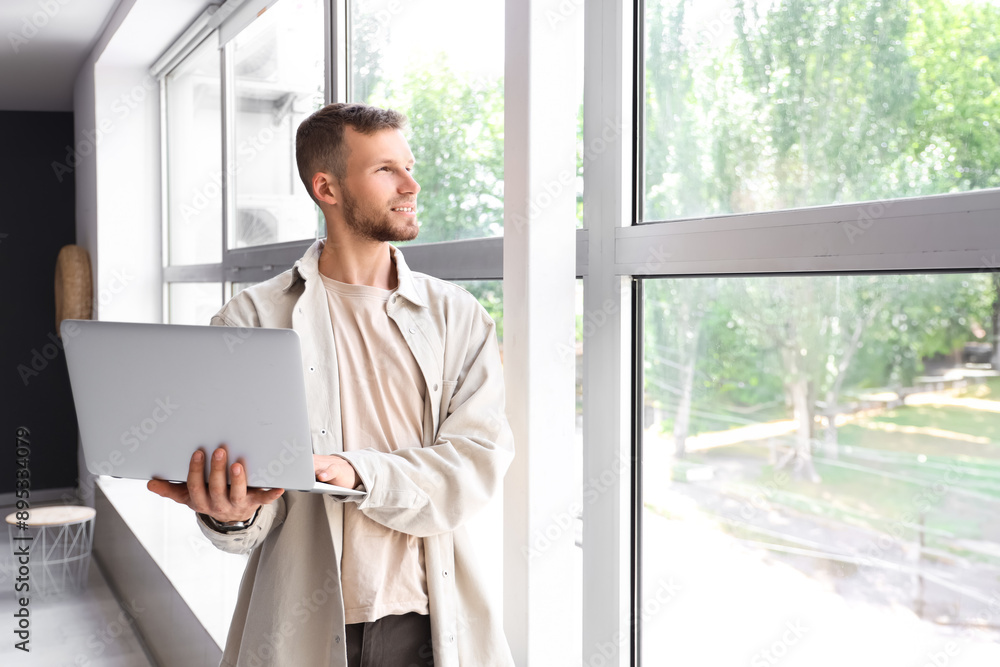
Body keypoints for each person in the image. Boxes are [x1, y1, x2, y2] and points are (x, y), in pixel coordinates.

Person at [148, 102, 515, 667]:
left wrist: (358, 471)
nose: (411, 184)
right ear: (328, 187)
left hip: (425, 624)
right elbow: (254, 514)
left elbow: (477, 462)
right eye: (386, 169)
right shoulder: (251, 319)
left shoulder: (458, 316)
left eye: (409, 166)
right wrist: (230, 511)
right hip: (303, 625)